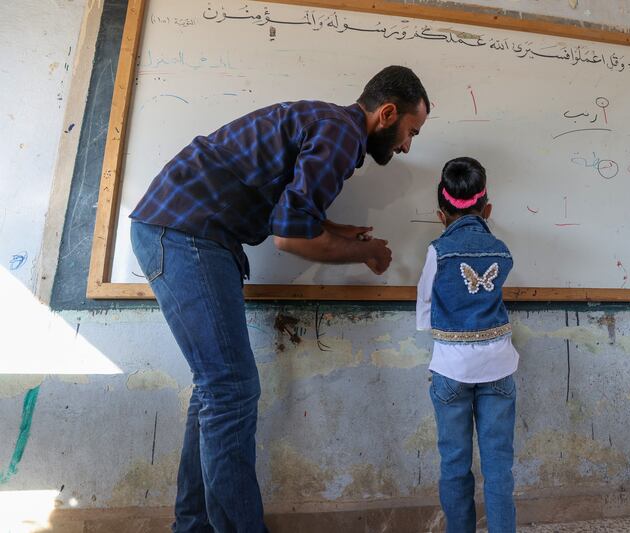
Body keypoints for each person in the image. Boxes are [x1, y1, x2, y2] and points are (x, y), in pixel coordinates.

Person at [129, 65, 429, 532]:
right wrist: (364, 252)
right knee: (230, 390)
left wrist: (334, 229)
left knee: (217, 391)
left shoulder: (330, 126)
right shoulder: (342, 136)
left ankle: (193, 526)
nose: (408, 145)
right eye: (411, 131)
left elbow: (288, 210)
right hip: (187, 232)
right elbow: (289, 238)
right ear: (387, 114)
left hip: (186, 229)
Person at [416, 157, 519, 533]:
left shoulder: (437, 251)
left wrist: (444, 338)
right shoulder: (502, 251)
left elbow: (426, 304)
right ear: (487, 209)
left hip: (451, 371)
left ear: (440, 214)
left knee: (455, 464)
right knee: (498, 467)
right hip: (499, 369)